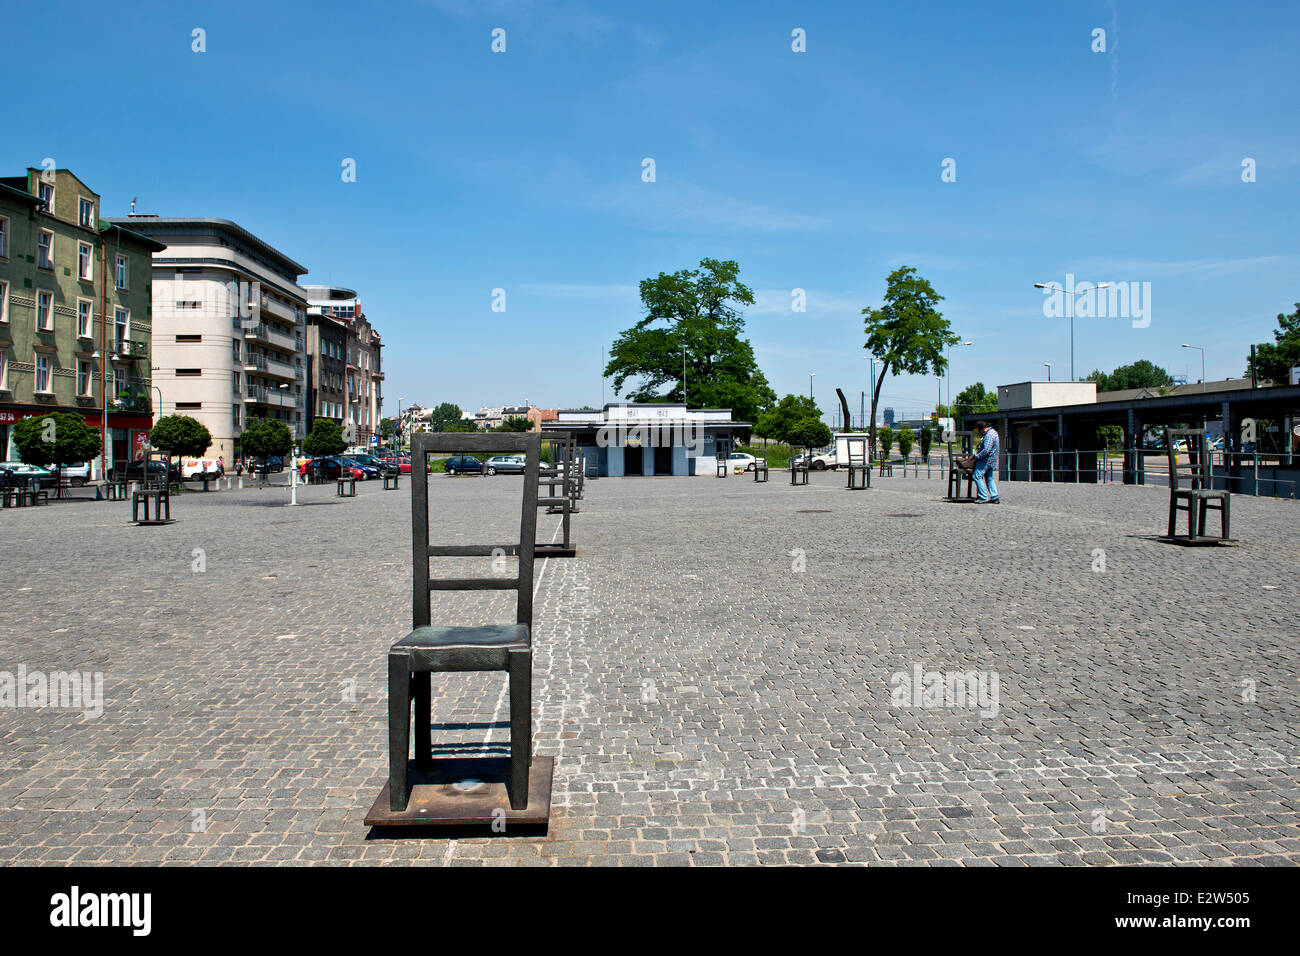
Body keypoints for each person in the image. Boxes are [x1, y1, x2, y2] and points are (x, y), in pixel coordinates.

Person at [972, 420, 1000, 504]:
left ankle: (983, 496)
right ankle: (994, 496)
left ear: (982, 429)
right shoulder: (993, 433)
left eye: (979, 430)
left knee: (977, 476)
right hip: (992, 460)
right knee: (989, 478)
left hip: (986, 460)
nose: (979, 432)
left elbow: (986, 449)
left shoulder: (989, 435)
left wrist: (977, 457)